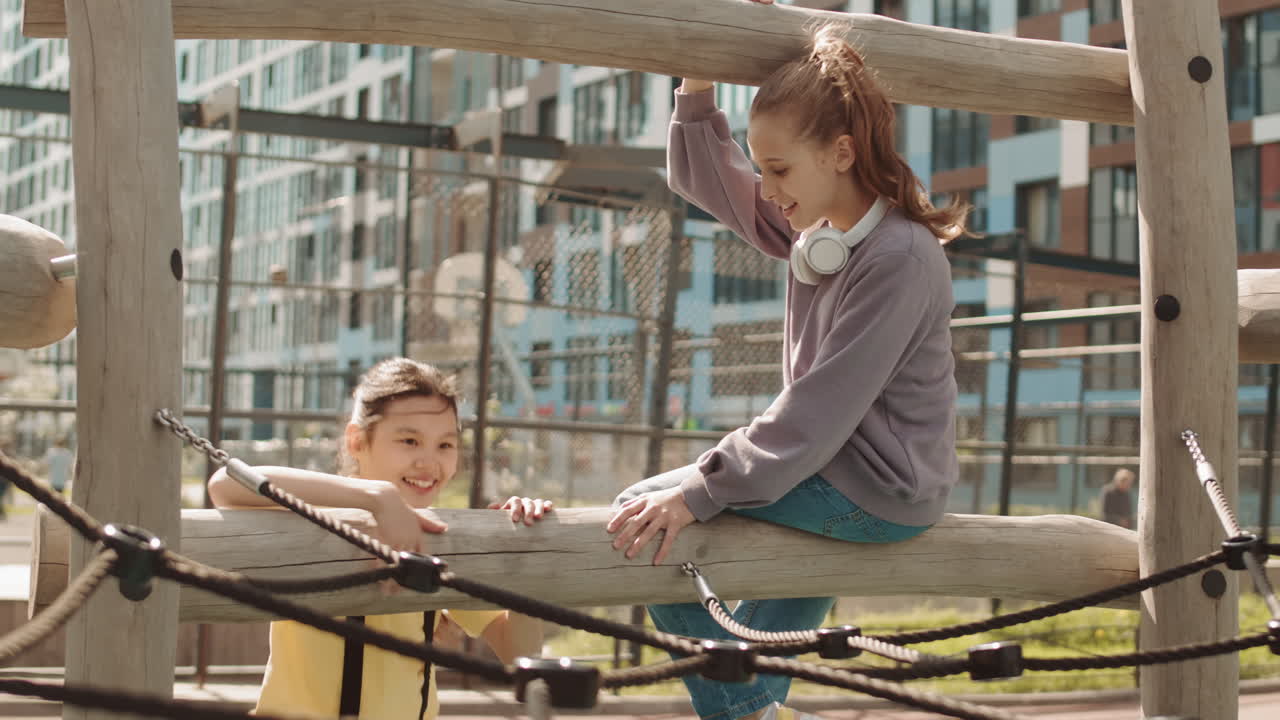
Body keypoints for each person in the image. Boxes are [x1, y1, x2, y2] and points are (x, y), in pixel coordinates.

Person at [604, 8, 967, 720]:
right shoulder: (819, 230)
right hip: (834, 472)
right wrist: (700, 70)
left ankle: (745, 715)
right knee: (757, 673)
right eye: (761, 165)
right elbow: (714, 181)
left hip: (874, 487)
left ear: (840, 152)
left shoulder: (897, 259)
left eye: (778, 168)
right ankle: (756, 711)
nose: (767, 188)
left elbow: (816, 413)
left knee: (639, 520)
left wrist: (700, 491)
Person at [208, 357, 553, 720]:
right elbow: (224, 484)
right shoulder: (311, 513)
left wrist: (523, 545)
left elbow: (518, 652)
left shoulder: (442, 537)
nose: (429, 462)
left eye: (445, 445)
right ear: (357, 441)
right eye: (409, 440)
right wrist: (377, 497)